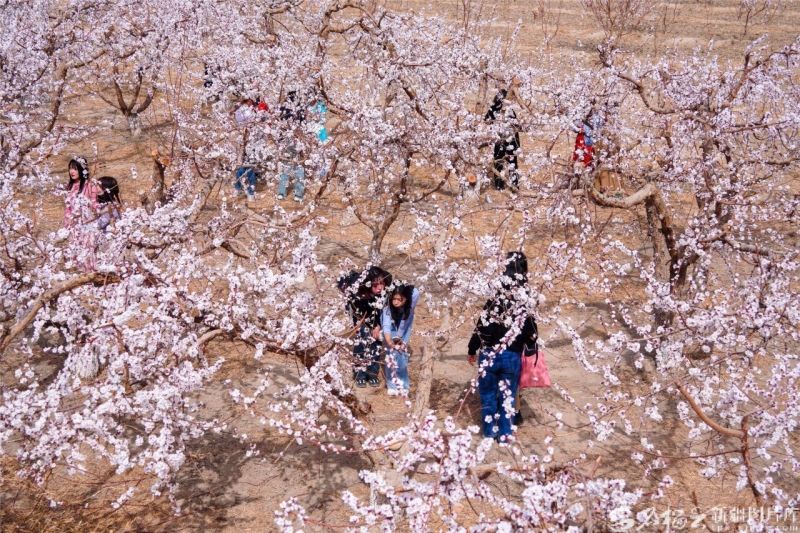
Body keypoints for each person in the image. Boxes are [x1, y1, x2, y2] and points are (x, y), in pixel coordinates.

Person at [467, 252, 538, 442]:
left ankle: (489, 432)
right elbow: (531, 331)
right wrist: (530, 344)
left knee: (488, 396)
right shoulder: (525, 300)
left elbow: (480, 326)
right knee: (507, 397)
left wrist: (471, 349)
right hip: (511, 356)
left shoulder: (494, 298)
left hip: (489, 353)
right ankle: (505, 435)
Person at [342, 266, 393, 388]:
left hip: (376, 314)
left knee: (376, 340)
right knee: (362, 338)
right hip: (360, 313)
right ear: (368, 285)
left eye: (382, 283)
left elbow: (384, 312)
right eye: (376, 285)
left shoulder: (384, 292)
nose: (380, 287)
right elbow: (359, 313)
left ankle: (372, 372)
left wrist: (378, 326)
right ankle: (359, 373)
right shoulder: (358, 293)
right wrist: (368, 325)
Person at [381, 283, 420, 396]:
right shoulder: (387, 304)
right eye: (394, 298)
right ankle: (391, 384)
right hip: (391, 319)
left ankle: (403, 384)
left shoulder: (413, 296)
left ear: (407, 299)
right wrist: (390, 342)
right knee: (391, 352)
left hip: (406, 318)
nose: (396, 302)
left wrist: (402, 340)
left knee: (401, 351)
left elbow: (405, 324)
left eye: (400, 299)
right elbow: (386, 326)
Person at [64, 157, 101, 270]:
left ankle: (91, 275)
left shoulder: (90, 186)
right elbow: (67, 208)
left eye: (75, 169)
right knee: (76, 252)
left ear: (82, 169)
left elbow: (96, 206)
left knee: (88, 251)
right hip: (73, 225)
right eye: (70, 169)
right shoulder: (69, 187)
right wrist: (67, 225)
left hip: (87, 223)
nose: (72, 172)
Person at [485, 89, 521, 191]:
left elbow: (516, 124)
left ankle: (505, 184)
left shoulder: (505, 109)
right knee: (503, 162)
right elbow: (487, 120)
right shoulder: (497, 109)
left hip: (507, 140)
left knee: (504, 162)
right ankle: (508, 184)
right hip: (502, 140)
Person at [277, 91, 307, 202]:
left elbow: (279, 126)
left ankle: (281, 192)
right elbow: (303, 126)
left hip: (284, 141)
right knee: (299, 167)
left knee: (286, 167)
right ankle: (298, 195)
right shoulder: (299, 110)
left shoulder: (282, 109)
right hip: (296, 140)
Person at [234, 98, 258, 201]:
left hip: (243, 141)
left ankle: (238, 188)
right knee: (249, 167)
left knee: (242, 166)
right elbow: (252, 123)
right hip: (248, 141)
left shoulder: (238, 111)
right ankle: (250, 192)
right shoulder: (247, 111)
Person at [572, 107, 604, 173]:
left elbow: (597, 131)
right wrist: (579, 129)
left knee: (588, 160)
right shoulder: (581, 117)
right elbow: (573, 127)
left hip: (589, 143)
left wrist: (586, 131)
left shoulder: (597, 118)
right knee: (578, 158)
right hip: (580, 142)